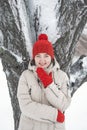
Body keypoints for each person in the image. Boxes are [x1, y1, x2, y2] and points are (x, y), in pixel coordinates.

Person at [17, 34, 71, 130]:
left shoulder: (62, 76)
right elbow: (25, 106)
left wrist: (49, 84)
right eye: (38, 56)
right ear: (34, 57)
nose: (42, 60)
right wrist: (54, 115)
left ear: (51, 57)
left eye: (46, 56)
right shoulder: (25, 76)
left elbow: (64, 104)